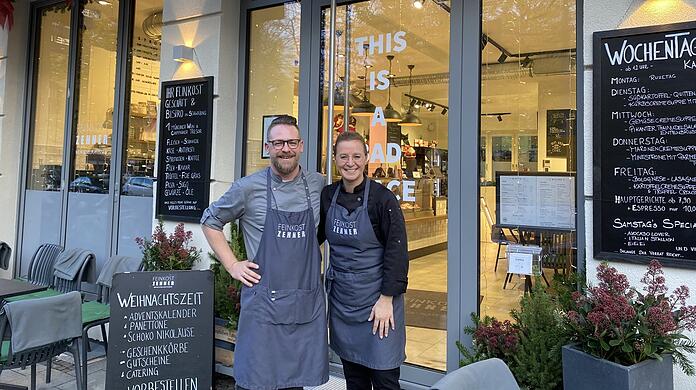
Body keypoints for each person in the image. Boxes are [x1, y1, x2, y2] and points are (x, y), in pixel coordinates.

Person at [201, 115, 328, 390]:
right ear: (268, 147)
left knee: (295, 383)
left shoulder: (318, 185)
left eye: (292, 142)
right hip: (263, 305)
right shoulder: (248, 188)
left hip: (304, 303)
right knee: (255, 382)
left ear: (302, 145)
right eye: (279, 142)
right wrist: (232, 265)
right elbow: (210, 221)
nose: (286, 149)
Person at [318, 131, 409, 390]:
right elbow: (314, 239)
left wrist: (386, 299)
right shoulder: (328, 196)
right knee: (354, 378)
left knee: (384, 378)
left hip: (378, 304)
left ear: (366, 158)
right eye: (344, 156)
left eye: (357, 156)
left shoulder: (382, 199)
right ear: (334, 159)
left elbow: (397, 251)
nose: (350, 162)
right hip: (343, 303)